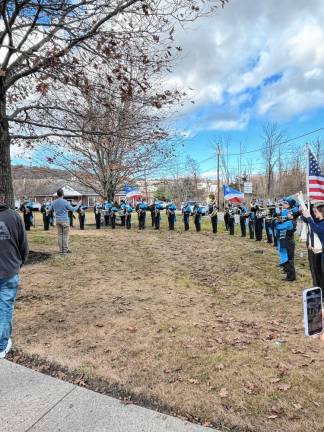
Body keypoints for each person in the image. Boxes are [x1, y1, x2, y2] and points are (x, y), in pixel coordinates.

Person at [0, 198, 29, 358]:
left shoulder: (13, 216)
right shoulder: (13, 216)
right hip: (9, 270)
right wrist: (20, 262)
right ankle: (1, 345)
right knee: (5, 307)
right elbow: (23, 244)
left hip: (9, 269)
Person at [301, 202, 324, 292]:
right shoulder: (320, 221)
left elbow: (316, 229)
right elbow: (313, 229)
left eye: (316, 212)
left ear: (321, 212)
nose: (314, 213)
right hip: (321, 252)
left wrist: (309, 217)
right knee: (319, 273)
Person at [49, 189, 81, 254]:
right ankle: (65, 250)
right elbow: (73, 209)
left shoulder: (53, 202)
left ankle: (61, 250)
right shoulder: (65, 202)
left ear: (57, 194)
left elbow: (49, 210)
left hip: (57, 220)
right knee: (65, 235)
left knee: (60, 235)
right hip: (65, 220)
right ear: (63, 194)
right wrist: (79, 204)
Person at [274, 197, 298, 282]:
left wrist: (277, 221)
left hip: (288, 241)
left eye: (289, 214)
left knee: (288, 259)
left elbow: (278, 227)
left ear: (292, 215)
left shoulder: (289, 222)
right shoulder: (291, 221)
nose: (287, 214)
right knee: (288, 258)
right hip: (288, 240)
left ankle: (291, 276)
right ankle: (290, 274)